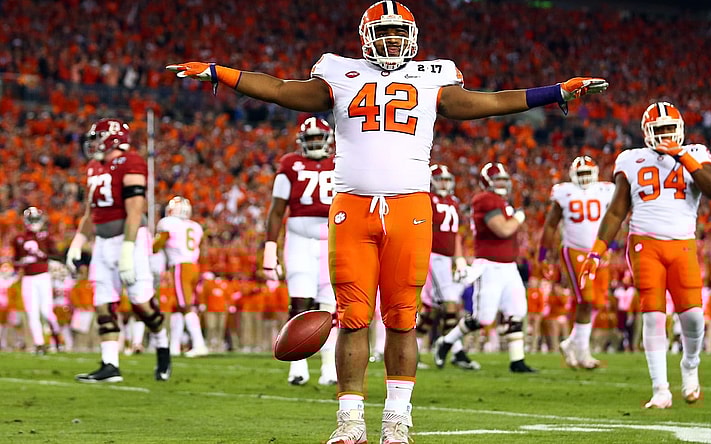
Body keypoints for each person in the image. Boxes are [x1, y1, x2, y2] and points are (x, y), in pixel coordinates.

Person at [168, 2, 607, 440]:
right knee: (353, 317)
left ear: (412, 37)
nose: (392, 39)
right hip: (352, 209)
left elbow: (489, 102)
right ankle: (350, 423)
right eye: (384, 31)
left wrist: (556, 92)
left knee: (402, 318)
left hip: (410, 208)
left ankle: (397, 420)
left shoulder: (433, 77)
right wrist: (218, 71)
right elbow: (283, 90)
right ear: (366, 36)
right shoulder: (339, 72)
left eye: (399, 32)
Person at [578, 101, 711, 408]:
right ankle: (661, 389)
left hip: (683, 243)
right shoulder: (631, 160)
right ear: (647, 134)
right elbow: (617, 211)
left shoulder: (695, 153)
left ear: (681, 130)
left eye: (671, 129)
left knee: (694, 317)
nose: (667, 135)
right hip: (644, 243)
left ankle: (690, 364)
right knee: (653, 315)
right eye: (660, 130)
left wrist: (684, 158)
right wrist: (597, 252)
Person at [66, 118, 172, 383]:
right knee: (103, 302)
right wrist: (78, 242)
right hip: (102, 242)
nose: (92, 143)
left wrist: (128, 247)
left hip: (131, 239)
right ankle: (110, 365)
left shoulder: (132, 162)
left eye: (97, 137)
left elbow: (135, 208)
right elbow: (91, 211)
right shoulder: (93, 167)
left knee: (141, 305)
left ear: (112, 138)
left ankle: (162, 344)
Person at [434, 162, 537, 373]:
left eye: (504, 179)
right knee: (484, 318)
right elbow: (502, 229)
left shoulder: (499, 200)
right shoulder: (485, 199)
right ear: (487, 182)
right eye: (498, 179)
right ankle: (446, 342)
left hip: (509, 267)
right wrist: (518, 217)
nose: (502, 183)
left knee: (517, 311)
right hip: (489, 267)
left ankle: (517, 360)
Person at [262, 116, 338, 386]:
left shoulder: (340, 164)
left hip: (332, 239)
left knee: (330, 307)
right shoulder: (290, 164)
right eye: (311, 138)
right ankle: (297, 364)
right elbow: (277, 208)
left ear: (328, 140)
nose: (315, 143)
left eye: (319, 138)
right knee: (299, 303)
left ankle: (329, 366)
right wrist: (270, 248)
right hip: (298, 239)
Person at [539, 156, 615, 369]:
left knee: (597, 303)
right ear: (573, 176)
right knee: (586, 299)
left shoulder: (605, 190)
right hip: (574, 250)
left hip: (598, 252)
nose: (583, 178)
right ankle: (582, 351)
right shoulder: (564, 192)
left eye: (586, 174)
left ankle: (572, 344)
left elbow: (614, 219)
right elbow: (551, 226)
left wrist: (612, 246)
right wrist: (542, 255)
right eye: (579, 174)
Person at [417, 164, 478, 370]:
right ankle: (456, 350)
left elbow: (455, 235)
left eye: (446, 179)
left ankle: (413, 349)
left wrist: (459, 259)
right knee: (450, 304)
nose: (444, 183)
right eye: (440, 179)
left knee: (432, 309)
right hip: (432, 257)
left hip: (446, 259)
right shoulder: (427, 200)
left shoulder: (453, 201)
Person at [153, 196, 210, 358]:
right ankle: (174, 346)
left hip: (180, 266)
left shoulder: (169, 223)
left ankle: (199, 344)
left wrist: (149, 246)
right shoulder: (196, 226)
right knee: (178, 306)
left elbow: (157, 245)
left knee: (185, 306)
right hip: (193, 266)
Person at [12, 207, 61, 354]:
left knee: (46, 311)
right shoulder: (19, 238)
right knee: (32, 312)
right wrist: (23, 261)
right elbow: (15, 262)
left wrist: (41, 257)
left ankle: (57, 339)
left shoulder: (46, 236)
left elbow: (56, 255)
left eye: (35, 219)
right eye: (31, 220)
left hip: (43, 276)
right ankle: (39, 344)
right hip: (28, 278)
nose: (33, 223)